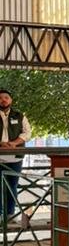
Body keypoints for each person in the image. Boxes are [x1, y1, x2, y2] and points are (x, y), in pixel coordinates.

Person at [0, 89, 32, 220]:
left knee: (12, 185)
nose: (3, 100)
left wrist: (14, 144)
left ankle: (10, 214)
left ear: (10, 100)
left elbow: (27, 133)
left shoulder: (20, 116)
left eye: (6, 97)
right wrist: (1, 143)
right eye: (0, 98)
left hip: (15, 156)